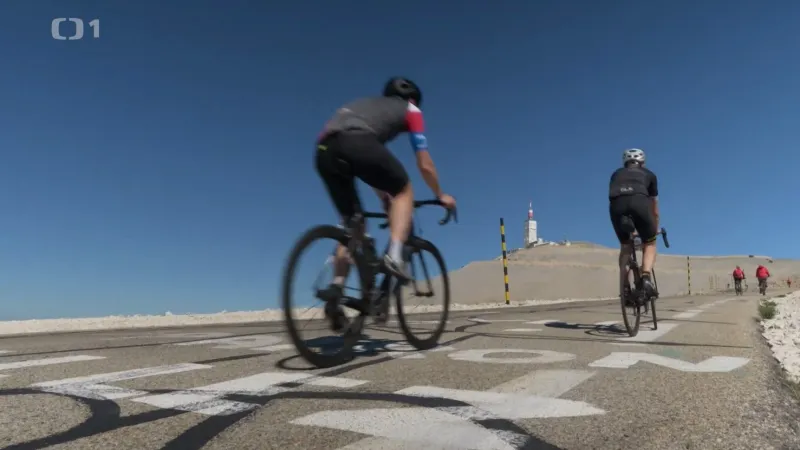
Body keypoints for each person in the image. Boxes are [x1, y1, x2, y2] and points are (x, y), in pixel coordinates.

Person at [313, 77, 457, 331]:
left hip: (325, 149)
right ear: (412, 99)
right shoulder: (412, 110)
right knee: (404, 189)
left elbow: (365, 162)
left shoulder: (364, 105)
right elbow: (424, 164)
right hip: (357, 144)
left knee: (353, 225)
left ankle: (336, 288)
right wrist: (440, 194)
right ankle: (395, 255)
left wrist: (383, 198)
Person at [609, 148, 660, 302]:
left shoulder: (616, 174)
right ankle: (645, 278)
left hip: (617, 207)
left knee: (625, 247)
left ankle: (624, 288)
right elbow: (654, 207)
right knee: (650, 243)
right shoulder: (649, 174)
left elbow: (612, 197)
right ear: (642, 163)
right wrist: (655, 227)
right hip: (641, 204)